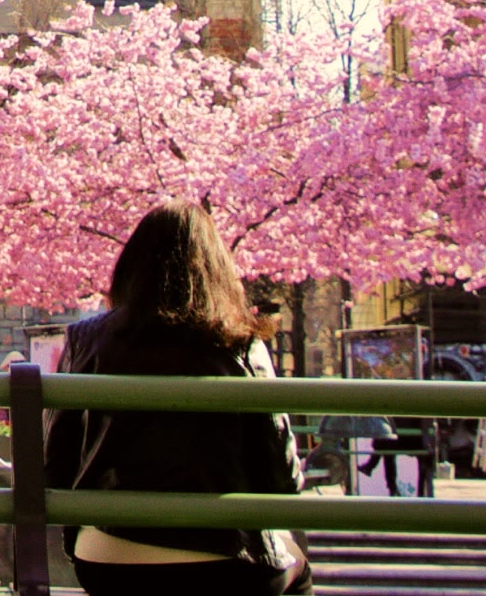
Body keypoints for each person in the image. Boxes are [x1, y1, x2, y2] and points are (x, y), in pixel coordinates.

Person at [45, 200, 308, 596]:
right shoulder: (241, 343)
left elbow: (55, 466)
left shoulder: (87, 340)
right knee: (297, 569)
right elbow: (282, 480)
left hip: (109, 556)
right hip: (222, 557)